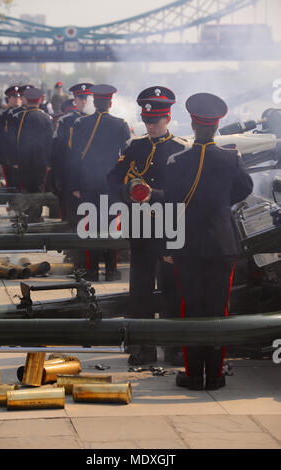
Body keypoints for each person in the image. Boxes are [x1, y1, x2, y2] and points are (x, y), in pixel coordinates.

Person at [164, 92, 254, 390]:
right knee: (219, 308)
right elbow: (244, 188)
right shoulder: (231, 158)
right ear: (217, 126)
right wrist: (218, 204)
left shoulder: (176, 161)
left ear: (192, 123)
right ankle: (214, 375)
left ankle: (192, 374)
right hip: (221, 244)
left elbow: (171, 206)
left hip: (186, 245)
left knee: (191, 308)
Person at [107, 86, 189, 365]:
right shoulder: (134, 147)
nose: (150, 125)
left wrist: (153, 196)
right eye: (147, 121)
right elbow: (113, 179)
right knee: (139, 290)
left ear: (167, 119)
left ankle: (175, 345)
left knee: (172, 290)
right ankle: (143, 346)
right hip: (140, 228)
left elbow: (185, 195)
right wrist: (128, 189)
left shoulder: (180, 149)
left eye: (155, 121)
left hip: (169, 228)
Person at [69, 84, 131, 281]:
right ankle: (111, 270)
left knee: (89, 227)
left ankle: (91, 270)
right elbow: (126, 158)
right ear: (111, 103)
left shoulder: (80, 123)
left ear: (94, 102)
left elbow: (73, 158)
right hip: (112, 185)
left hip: (88, 183)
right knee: (112, 226)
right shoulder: (121, 124)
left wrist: (75, 186)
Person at [10, 87, 54, 222]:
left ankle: (27, 214)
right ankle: (36, 215)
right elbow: (51, 142)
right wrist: (50, 162)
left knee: (26, 188)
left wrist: (15, 160)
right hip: (41, 161)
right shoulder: (46, 118)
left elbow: (13, 140)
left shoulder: (19, 117)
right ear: (40, 100)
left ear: (25, 100)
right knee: (38, 188)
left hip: (24, 160)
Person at [52, 83, 93, 222]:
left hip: (92, 175)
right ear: (75, 100)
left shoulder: (97, 120)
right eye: (80, 98)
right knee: (70, 219)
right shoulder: (66, 120)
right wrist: (57, 177)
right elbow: (58, 152)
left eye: (86, 97)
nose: (84, 101)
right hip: (69, 175)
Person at [0, 86, 22, 188]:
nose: (16, 99)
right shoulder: (2, 116)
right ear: (8, 99)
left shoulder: (25, 115)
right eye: (13, 97)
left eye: (18, 97)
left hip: (24, 155)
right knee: (10, 184)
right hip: (8, 156)